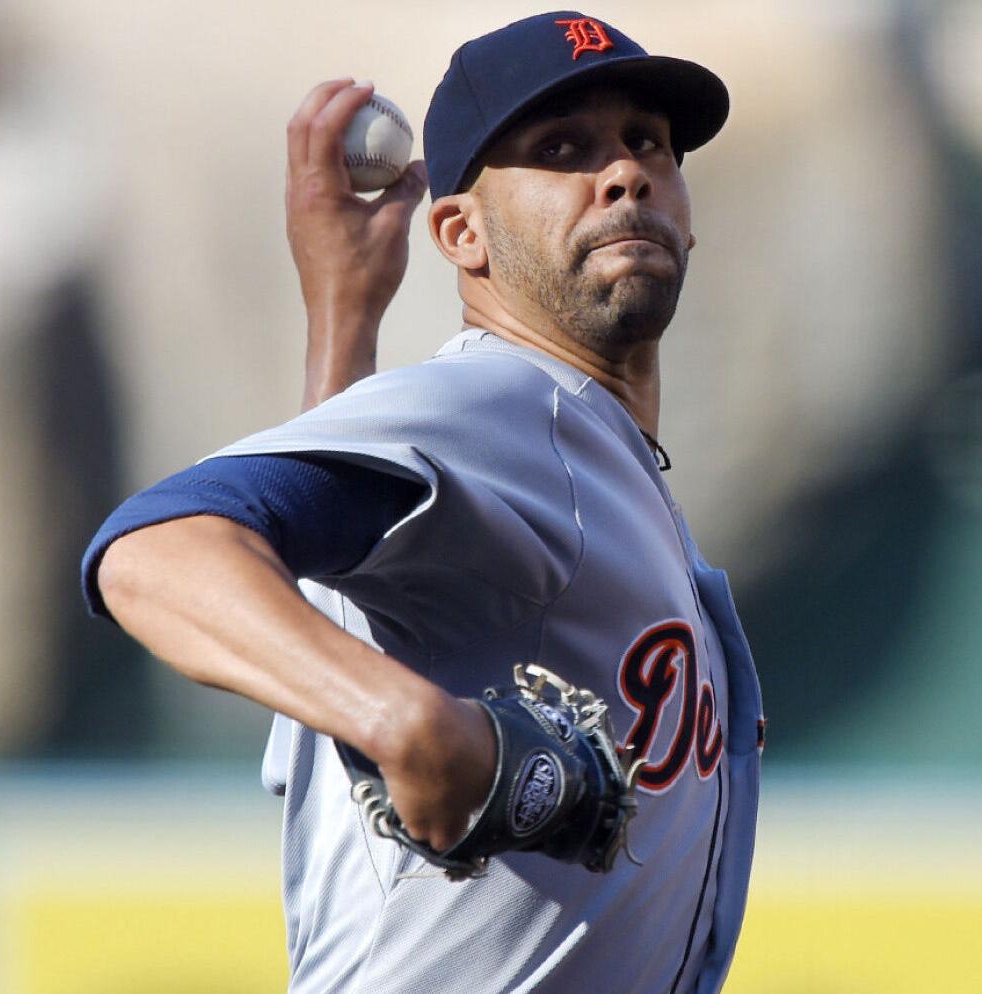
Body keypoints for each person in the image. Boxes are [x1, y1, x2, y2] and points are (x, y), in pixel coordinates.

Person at [82, 11, 763, 994]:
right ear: (460, 232)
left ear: (688, 210)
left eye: (646, 142)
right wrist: (406, 722)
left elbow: (341, 598)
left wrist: (341, 321)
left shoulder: (572, 460)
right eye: (562, 148)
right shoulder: (507, 408)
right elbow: (155, 550)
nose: (623, 174)